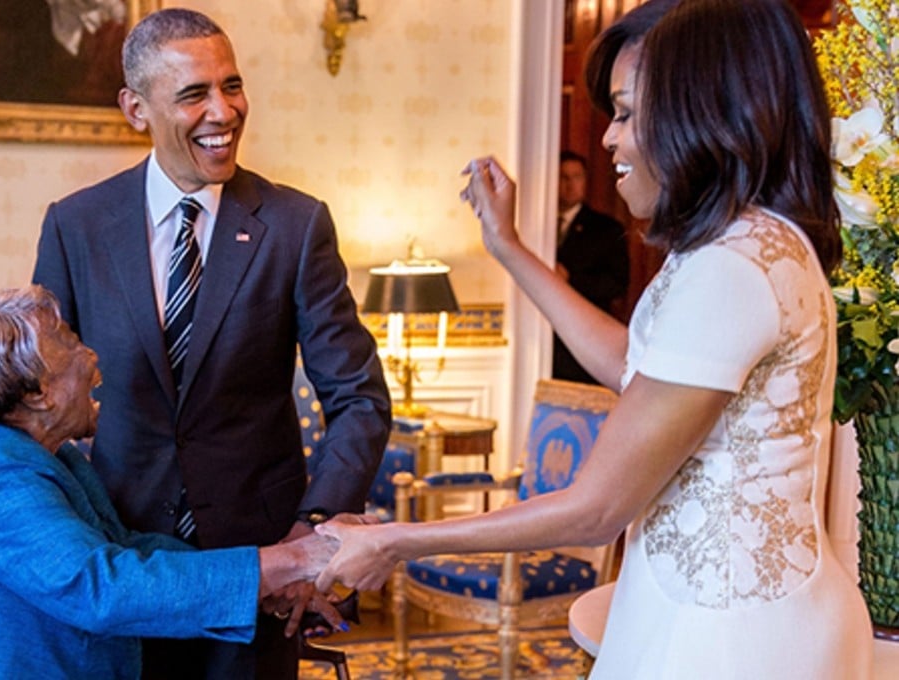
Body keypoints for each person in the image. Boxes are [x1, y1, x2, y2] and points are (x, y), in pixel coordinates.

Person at [315, 0, 876, 677]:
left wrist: (396, 541)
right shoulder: (745, 242)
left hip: (729, 634)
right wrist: (508, 247)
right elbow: (630, 365)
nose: (609, 138)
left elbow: (597, 507)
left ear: (702, 112)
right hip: (725, 609)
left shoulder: (732, 264)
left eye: (629, 112)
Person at [31, 7, 391, 678]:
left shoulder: (295, 225)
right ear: (135, 108)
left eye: (233, 85)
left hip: (259, 569)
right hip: (123, 567)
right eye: (195, 94)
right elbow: (35, 404)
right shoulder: (75, 226)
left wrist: (311, 536)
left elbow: (359, 397)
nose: (224, 111)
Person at [0, 286, 341, 679]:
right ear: (36, 393)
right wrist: (295, 559)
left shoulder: (29, 455)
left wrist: (265, 578)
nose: (91, 355)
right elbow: (103, 588)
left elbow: (125, 548)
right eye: (69, 341)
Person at [552, 150, 629, 383]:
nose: (570, 184)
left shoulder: (606, 229)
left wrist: (570, 279)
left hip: (586, 337)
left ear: (585, 181)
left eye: (576, 177)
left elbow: (617, 284)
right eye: (563, 177)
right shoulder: (537, 222)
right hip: (546, 339)